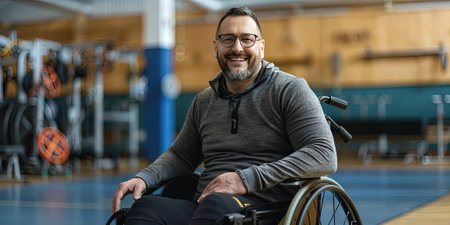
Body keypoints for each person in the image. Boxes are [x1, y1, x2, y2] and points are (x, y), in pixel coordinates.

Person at [112, 6, 337, 225]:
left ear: (261, 47)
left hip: (265, 209)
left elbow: (323, 153)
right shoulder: (203, 101)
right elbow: (181, 156)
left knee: (216, 207)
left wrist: (245, 179)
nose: (237, 48)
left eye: (247, 39)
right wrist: (144, 177)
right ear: (216, 46)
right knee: (146, 208)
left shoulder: (290, 89)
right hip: (205, 204)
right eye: (227, 39)